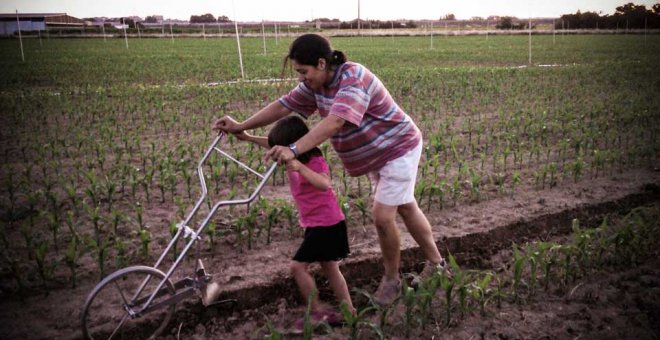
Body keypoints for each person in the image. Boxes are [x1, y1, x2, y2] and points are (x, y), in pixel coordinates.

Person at [212, 33, 449, 306]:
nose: (302, 78)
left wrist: (294, 149)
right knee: (405, 206)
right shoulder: (316, 86)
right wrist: (241, 126)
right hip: (378, 154)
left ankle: (392, 280)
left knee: (383, 216)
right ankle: (438, 264)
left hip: (398, 147)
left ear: (322, 64)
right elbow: (283, 105)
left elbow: (336, 121)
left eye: (304, 71)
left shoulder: (353, 78)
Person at [233, 115, 355, 331]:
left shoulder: (313, 159)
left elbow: (325, 184)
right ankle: (349, 311)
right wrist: (248, 137)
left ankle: (318, 312)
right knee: (330, 268)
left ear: (296, 144)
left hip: (327, 223)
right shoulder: (293, 155)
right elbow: (271, 145)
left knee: (298, 266)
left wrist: (299, 167)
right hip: (316, 223)